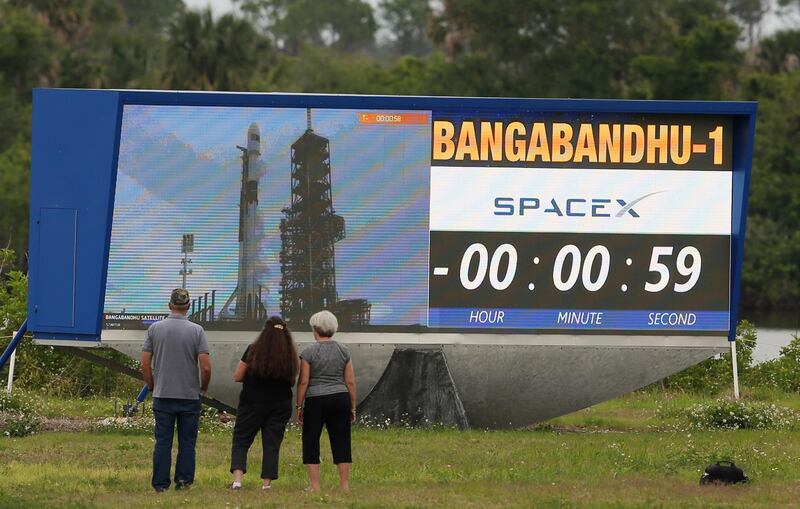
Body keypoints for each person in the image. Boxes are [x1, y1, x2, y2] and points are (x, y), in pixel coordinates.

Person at [141, 288, 212, 492]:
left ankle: (161, 485)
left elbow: (145, 363)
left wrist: (153, 385)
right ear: (188, 306)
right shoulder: (197, 330)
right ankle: (183, 482)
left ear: (170, 305)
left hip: (163, 394)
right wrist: (203, 388)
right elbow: (206, 367)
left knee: (163, 442)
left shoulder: (155, 329)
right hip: (189, 396)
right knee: (187, 443)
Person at [229, 316, 299, 493]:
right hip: (280, 404)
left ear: (264, 332)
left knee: (241, 440)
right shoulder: (289, 354)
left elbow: (237, 376)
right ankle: (266, 485)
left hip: (252, 402)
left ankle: (237, 482)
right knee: (271, 444)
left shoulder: (253, 350)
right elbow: (291, 380)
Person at [296, 310, 357, 492]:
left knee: (311, 440)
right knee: (341, 439)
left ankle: (315, 486)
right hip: (340, 397)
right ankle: (344, 485)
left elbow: (304, 381)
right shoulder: (343, 350)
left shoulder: (308, 351)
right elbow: (351, 381)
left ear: (315, 329)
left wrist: (299, 405)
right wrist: (352, 407)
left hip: (316, 400)